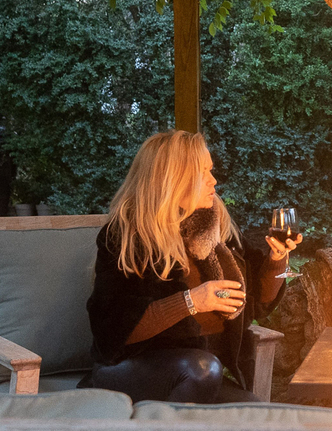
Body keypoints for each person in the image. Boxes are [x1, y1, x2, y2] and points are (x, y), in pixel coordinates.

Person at [79, 130, 300, 403]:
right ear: (172, 180)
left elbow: (259, 302)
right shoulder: (128, 238)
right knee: (201, 369)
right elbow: (112, 329)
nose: (213, 180)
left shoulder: (216, 231)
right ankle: (162, 430)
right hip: (131, 369)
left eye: (211, 170)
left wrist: (277, 260)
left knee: (255, 413)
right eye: (202, 172)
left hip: (203, 375)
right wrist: (191, 301)